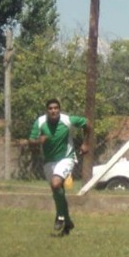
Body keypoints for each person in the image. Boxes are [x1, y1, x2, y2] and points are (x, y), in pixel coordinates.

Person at [27, 99, 87, 236]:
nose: (53, 110)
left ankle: (60, 216)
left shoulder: (67, 120)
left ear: (59, 109)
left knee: (56, 183)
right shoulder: (40, 122)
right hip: (49, 161)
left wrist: (85, 144)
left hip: (67, 158)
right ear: (46, 110)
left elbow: (87, 124)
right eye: (50, 108)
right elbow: (31, 141)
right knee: (57, 192)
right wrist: (38, 141)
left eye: (56, 108)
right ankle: (68, 223)